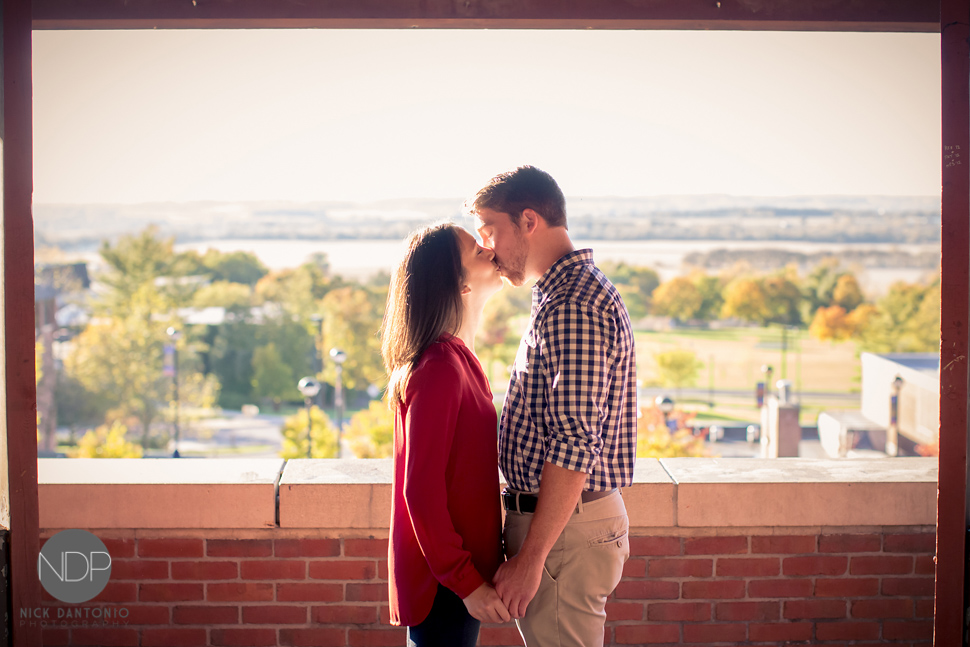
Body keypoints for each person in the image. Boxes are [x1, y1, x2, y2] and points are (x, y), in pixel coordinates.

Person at [465, 166, 638, 647]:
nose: (487, 248)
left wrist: (531, 557)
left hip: (562, 532)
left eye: (490, 229)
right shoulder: (559, 295)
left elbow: (574, 442)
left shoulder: (574, 304)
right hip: (563, 525)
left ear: (528, 220)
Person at [382, 222, 512, 647]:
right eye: (478, 251)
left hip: (456, 582)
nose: (491, 252)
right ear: (458, 281)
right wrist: (467, 583)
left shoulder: (458, 359)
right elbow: (419, 492)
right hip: (446, 588)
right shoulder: (439, 366)